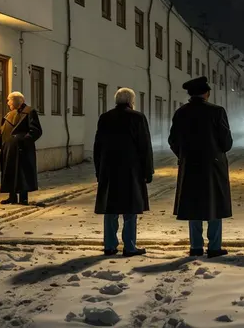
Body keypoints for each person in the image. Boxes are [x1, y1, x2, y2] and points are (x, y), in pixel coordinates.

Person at [169, 76, 233, 258]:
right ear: (206, 93)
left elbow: (172, 140)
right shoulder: (217, 111)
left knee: (193, 204)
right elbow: (226, 143)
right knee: (214, 204)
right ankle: (214, 247)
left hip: (190, 166)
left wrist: (183, 156)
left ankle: (196, 247)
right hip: (213, 166)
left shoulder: (181, 112)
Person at [94, 88, 154, 257]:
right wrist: (148, 171)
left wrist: (99, 170)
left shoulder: (105, 118)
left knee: (110, 209)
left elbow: (97, 146)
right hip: (131, 170)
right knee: (130, 209)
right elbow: (145, 147)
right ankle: (130, 246)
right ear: (131, 101)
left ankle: (110, 245)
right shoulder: (138, 118)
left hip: (109, 170)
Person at [0, 92, 43, 205]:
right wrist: (0, 141)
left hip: (22, 149)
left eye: (9, 100)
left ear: (17, 100)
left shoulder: (29, 112)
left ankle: (23, 197)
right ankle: (11, 196)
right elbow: (2, 129)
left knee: (22, 173)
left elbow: (36, 130)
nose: (8, 103)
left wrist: (23, 140)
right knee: (10, 172)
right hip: (9, 149)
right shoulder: (9, 115)